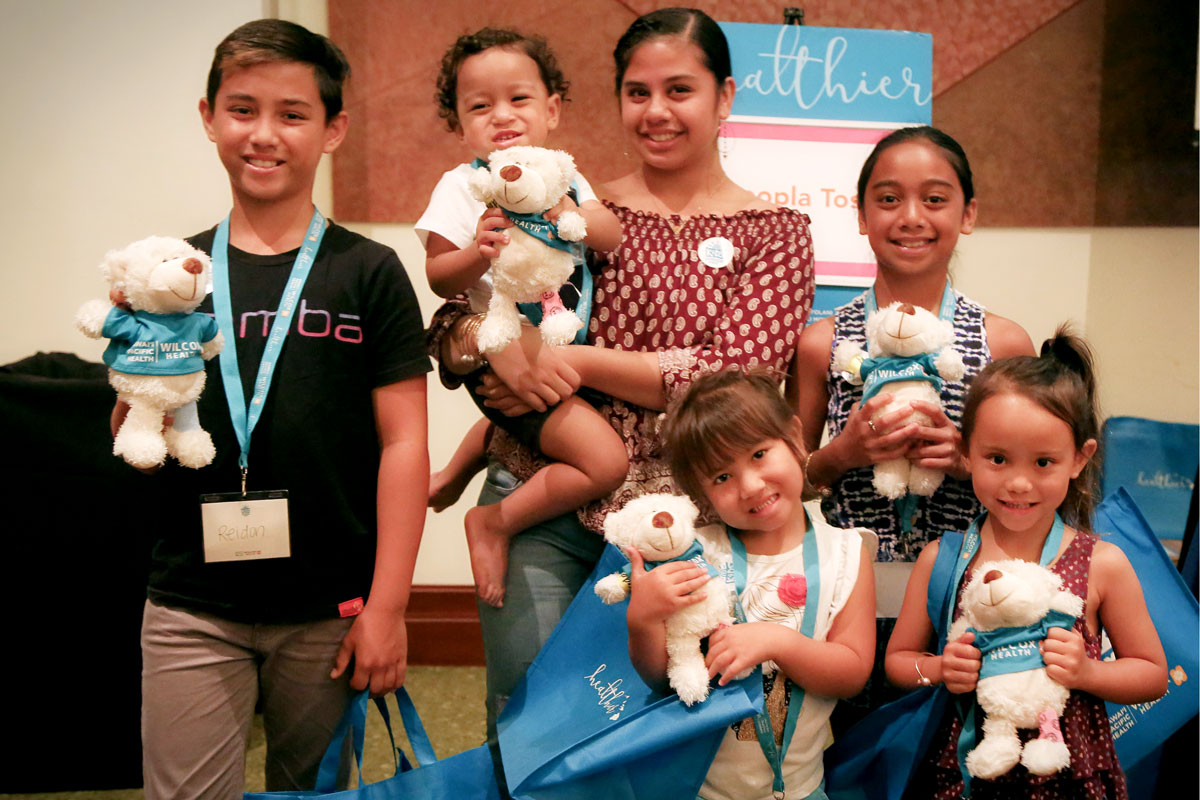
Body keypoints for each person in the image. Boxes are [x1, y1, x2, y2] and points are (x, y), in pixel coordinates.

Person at [427, 8, 814, 792]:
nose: (657, 111)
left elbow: (731, 377)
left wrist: (564, 355)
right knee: (529, 720)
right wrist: (493, 349)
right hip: (543, 502)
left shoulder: (777, 232)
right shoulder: (574, 208)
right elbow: (466, 319)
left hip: (691, 526)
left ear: (725, 96)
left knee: (662, 734)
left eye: (681, 89)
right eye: (638, 92)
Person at [124, 20, 431, 798]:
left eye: (292, 114)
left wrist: (389, 606)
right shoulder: (172, 276)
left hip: (329, 606)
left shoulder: (368, 272)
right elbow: (136, 433)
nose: (264, 135)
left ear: (333, 130)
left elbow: (403, 446)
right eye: (242, 109)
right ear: (208, 117)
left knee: (312, 790)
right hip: (193, 601)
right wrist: (138, 379)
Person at [789, 126, 1035, 725]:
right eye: (889, 198)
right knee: (845, 759)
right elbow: (788, 480)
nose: (911, 217)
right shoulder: (822, 342)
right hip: (846, 602)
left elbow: (1033, 491)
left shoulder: (1002, 342)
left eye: (935, 198)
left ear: (968, 214)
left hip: (964, 605)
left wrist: (966, 461)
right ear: (862, 214)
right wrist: (844, 451)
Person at [886, 328, 1167, 798]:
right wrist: (935, 670)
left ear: (1080, 459)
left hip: (1070, 777)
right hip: (962, 775)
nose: (1018, 483)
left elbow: (1152, 674)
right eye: (997, 458)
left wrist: (1089, 673)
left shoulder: (1102, 563)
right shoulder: (944, 558)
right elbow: (898, 663)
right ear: (966, 453)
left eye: (1043, 463)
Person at [417, 28, 625, 609]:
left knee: (526, 419)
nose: (501, 116)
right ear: (459, 124)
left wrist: (572, 212)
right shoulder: (462, 187)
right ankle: (495, 522)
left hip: (559, 343)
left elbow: (611, 235)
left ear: (552, 109)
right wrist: (473, 252)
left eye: (519, 99)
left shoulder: (565, 176)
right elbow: (438, 277)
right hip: (504, 349)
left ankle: (456, 474)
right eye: (479, 106)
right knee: (604, 461)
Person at [625, 369, 875, 800]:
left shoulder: (848, 553)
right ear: (699, 493)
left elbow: (852, 673)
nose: (750, 486)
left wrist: (779, 642)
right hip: (699, 789)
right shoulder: (695, 555)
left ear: (795, 438)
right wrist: (644, 619)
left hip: (801, 789)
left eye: (759, 454)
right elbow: (661, 681)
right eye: (722, 477)